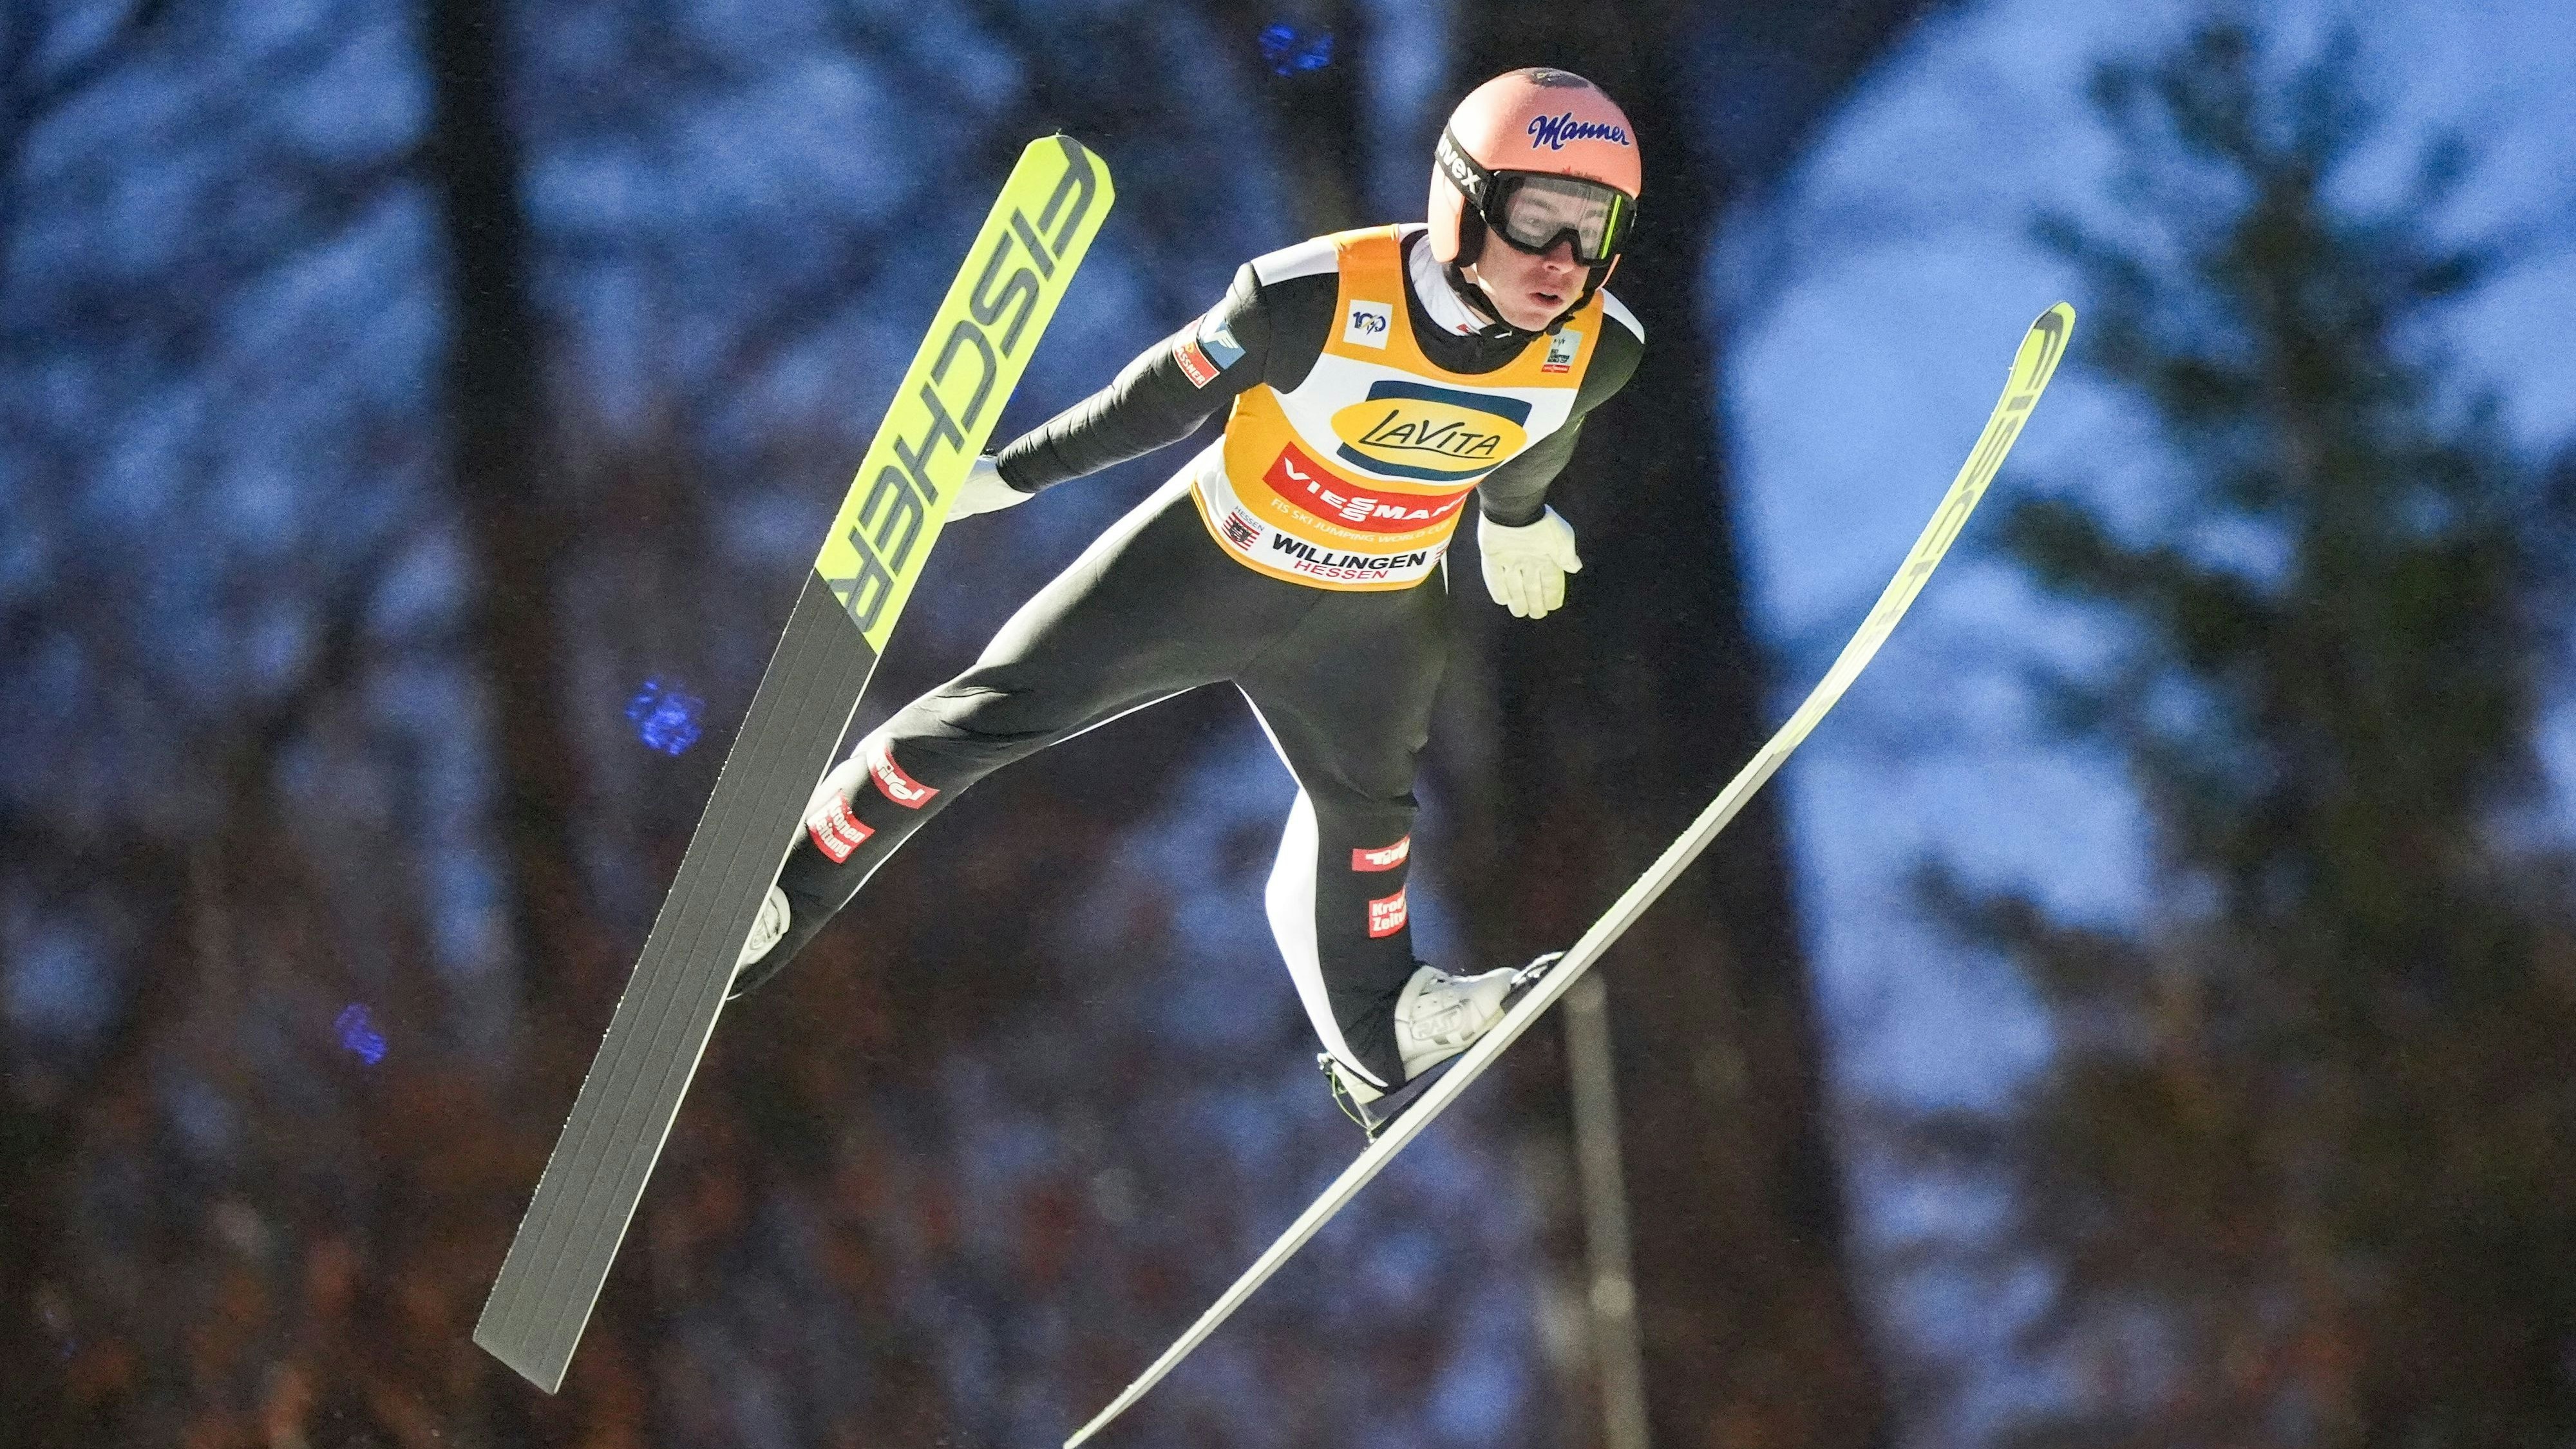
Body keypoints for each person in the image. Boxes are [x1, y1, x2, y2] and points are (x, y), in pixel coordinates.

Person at [732, 66, 1645, 1123]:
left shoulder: (1601, 347)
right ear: (1466, 202)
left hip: (1374, 614)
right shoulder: (1310, 296)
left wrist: (1515, 517)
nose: (1563, 261)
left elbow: (1541, 429)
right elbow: (1155, 402)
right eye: (1538, 220)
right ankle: (784, 888)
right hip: (1206, 569)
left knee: (1369, 820)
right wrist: (1011, 476)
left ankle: (1377, 1031)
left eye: (1593, 228)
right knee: (992, 715)